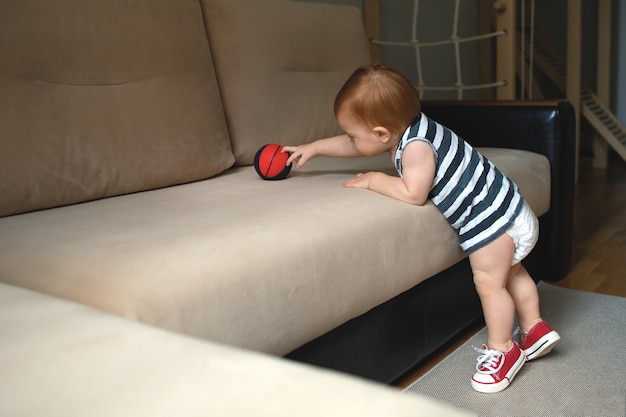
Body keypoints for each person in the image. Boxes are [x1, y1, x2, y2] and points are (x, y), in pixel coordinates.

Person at [282, 64, 560, 394]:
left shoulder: (416, 147)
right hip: (507, 207)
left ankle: (503, 350)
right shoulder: (411, 127)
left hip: (488, 219)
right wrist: (313, 148)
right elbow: (355, 143)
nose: (351, 141)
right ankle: (534, 329)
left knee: (489, 282)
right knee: (512, 273)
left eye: (354, 134)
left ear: (383, 134)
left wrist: (374, 179)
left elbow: (413, 193)